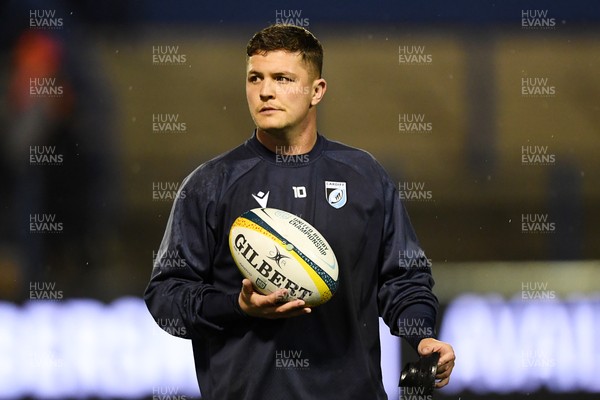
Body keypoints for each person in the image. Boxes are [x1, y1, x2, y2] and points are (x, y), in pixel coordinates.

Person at [144, 24, 455, 399]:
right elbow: (166, 297)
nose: (265, 91)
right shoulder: (210, 185)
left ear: (316, 91)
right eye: (255, 78)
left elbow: (404, 279)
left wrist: (421, 336)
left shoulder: (365, 177)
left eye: (283, 78)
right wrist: (237, 306)